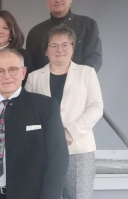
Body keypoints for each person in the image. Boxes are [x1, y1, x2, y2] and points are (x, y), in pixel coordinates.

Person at [0, 49, 69, 199]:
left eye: (13, 69)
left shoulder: (46, 106)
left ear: (23, 72)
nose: (7, 76)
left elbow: (58, 159)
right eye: (0, 71)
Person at [25, 24, 103, 199]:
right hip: (45, 150)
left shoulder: (87, 73)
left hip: (78, 149)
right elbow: (29, 112)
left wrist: (70, 131)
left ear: (73, 49)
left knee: (79, 196)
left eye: (65, 44)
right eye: (53, 45)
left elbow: (96, 107)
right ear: (46, 51)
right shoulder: (34, 77)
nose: (59, 49)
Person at [26, 0, 102, 72]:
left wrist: (76, 77)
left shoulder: (88, 25)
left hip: (80, 82)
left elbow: (94, 58)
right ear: (47, 3)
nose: (58, 0)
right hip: (44, 84)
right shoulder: (35, 32)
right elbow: (30, 65)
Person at [0, 10, 33, 85]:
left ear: (11, 33)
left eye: (5, 28)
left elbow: (27, 83)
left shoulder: (22, 54)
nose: (0, 31)